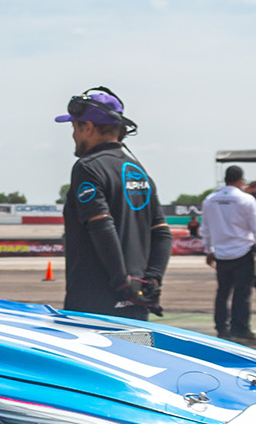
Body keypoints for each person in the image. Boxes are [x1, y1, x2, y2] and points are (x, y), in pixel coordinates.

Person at [56, 88, 171, 320]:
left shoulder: (88, 167)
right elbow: (162, 233)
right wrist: (151, 281)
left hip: (94, 304)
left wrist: (121, 282)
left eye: (75, 127)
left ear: (88, 127)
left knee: (92, 347)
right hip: (136, 303)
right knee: (134, 345)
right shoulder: (138, 171)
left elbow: (102, 227)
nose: (74, 135)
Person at [201, 165, 256, 341]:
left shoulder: (210, 200)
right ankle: (240, 328)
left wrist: (209, 250)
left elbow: (205, 228)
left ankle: (221, 328)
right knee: (242, 294)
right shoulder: (246, 200)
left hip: (221, 253)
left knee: (222, 292)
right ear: (241, 180)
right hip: (243, 252)